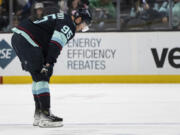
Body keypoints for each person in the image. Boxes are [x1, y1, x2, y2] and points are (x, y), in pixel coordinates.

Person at [11, 7, 92, 128]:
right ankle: (45, 115)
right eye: (84, 24)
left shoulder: (63, 17)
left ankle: (39, 114)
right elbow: (55, 44)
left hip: (20, 37)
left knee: (37, 76)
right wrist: (48, 63)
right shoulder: (69, 25)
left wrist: (48, 62)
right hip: (28, 39)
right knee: (43, 75)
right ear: (79, 19)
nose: (82, 28)